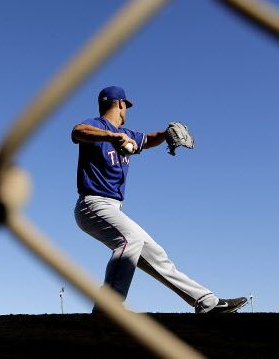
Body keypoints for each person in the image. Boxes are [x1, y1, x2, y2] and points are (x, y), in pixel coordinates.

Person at [71, 86, 246, 313]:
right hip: (92, 204)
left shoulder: (129, 135)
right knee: (130, 238)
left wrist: (164, 134)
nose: (127, 112)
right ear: (121, 104)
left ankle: (206, 301)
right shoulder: (99, 126)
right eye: (126, 107)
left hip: (113, 208)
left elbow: (147, 139)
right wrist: (112, 136)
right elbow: (77, 131)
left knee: (154, 253)